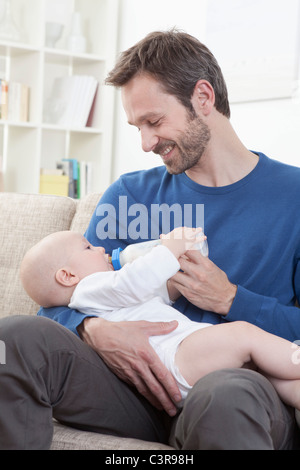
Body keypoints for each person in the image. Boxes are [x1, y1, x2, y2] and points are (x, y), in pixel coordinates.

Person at [1, 29, 300, 449]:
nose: (145, 143)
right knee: (10, 338)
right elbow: (56, 296)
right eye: (137, 126)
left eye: (154, 122)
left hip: (231, 390)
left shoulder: (293, 197)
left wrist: (232, 299)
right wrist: (92, 328)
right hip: (130, 398)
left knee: (226, 394)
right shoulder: (129, 196)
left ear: (203, 97)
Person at [20, 229, 300, 412]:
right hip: (174, 358)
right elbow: (134, 281)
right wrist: (168, 249)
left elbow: (160, 290)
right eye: (88, 247)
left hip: (181, 362)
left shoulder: (108, 297)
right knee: (244, 335)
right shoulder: (88, 290)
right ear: (68, 276)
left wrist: (184, 263)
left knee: (267, 373)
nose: (101, 249)